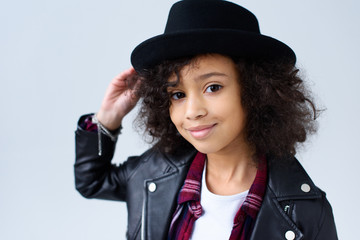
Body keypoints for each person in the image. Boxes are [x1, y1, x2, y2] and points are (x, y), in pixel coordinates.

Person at [74, 0, 338, 239]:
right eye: (177, 94)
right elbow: (92, 181)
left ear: (256, 91)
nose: (192, 111)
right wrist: (108, 117)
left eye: (213, 87)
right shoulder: (153, 172)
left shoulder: (307, 213)